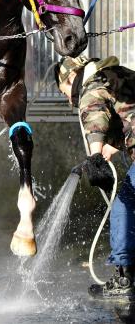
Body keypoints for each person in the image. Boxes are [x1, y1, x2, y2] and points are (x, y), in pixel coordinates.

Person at [54, 55, 135, 301]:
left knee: (124, 204)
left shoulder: (92, 83)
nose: (69, 99)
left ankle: (124, 278)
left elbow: (94, 112)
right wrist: (108, 149)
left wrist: (95, 155)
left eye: (64, 91)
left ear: (71, 78)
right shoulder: (117, 75)